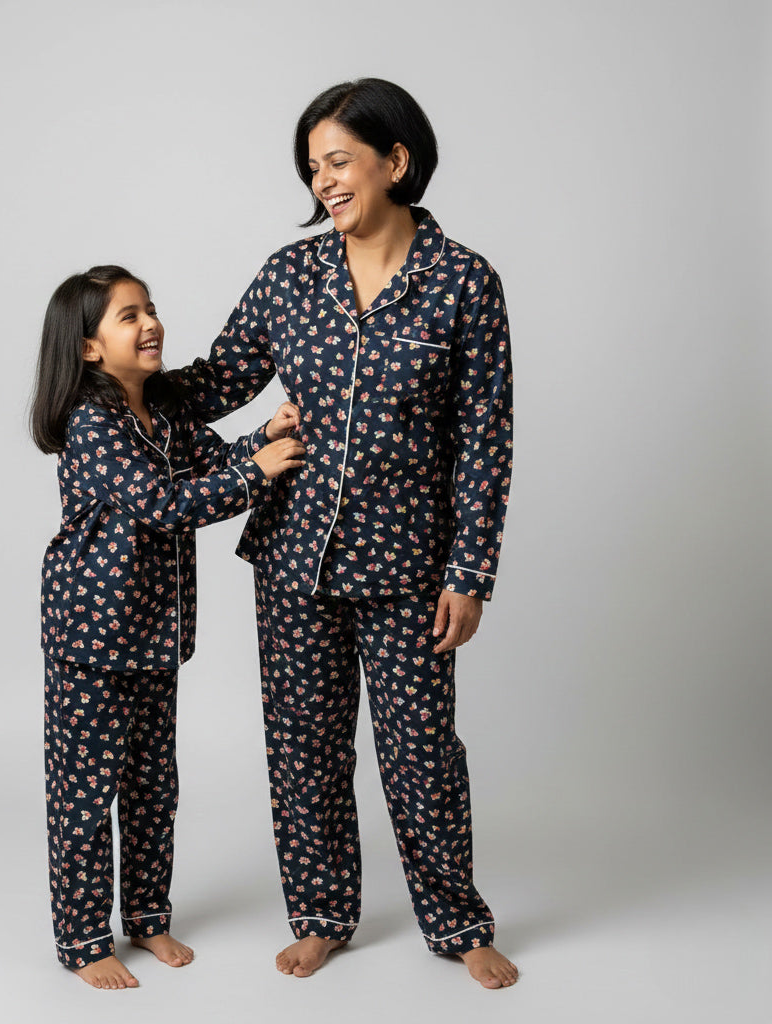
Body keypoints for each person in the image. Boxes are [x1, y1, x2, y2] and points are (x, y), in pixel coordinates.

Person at [173, 79, 518, 989]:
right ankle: (322, 913)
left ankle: (455, 921)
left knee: (419, 751)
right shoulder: (290, 277)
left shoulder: (464, 283)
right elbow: (216, 382)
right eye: (312, 165)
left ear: (394, 161)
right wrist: (115, 376)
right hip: (292, 557)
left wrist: (471, 568)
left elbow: (485, 436)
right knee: (304, 745)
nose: (323, 180)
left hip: (411, 565)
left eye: (338, 161)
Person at [30, 265, 304, 990]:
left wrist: (263, 438)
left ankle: (147, 917)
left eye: (150, 309)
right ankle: (85, 939)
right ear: (89, 348)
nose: (150, 323)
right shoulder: (93, 421)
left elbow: (213, 463)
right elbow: (164, 502)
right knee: (86, 793)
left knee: (154, 785)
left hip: (153, 637)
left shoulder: (165, 409)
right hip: (93, 637)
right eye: (128, 316)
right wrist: (261, 472)